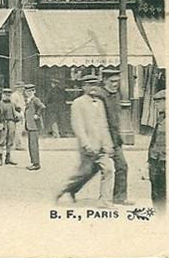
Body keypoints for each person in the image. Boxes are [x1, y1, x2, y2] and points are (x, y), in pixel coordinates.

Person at [57, 74, 115, 207]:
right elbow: (78, 126)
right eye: (89, 85)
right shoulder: (78, 103)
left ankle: (105, 201)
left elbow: (104, 125)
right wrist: (86, 144)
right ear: (83, 87)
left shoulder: (100, 103)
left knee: (108, 170)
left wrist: (108, 144)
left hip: (101, 145)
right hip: (88, 146)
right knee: (83, 173)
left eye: (96, 85)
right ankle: (62, 190)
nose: (93, 88)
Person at [97, 69, 131, 204]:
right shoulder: (100, 96)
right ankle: (103, 199)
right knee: (98, 171)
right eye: (112, 81)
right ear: (104, 81)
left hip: (115, 140)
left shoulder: (116, 95)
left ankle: (119, 198)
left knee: (122, 166)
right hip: (102, 139)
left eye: (117, 81)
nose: (115, 84)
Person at [147, 89, 165, 212]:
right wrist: (149, 160)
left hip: (165, 161)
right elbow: (154, 140)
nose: (156, 105)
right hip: (156, 160)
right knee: (156, 192)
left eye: (158, 102)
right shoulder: (160, 118)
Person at [0, 88, 19, 166]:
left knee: (10, 140)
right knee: (1, 140)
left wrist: (18, 115)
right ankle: (0, 158)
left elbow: (17, 111)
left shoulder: (12, 104)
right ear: (2, 95)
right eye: (5, 95)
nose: (7, 97)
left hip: (11, 122)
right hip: (3, 123)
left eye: (8, 95)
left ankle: (8, 157)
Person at [23, 83, 46, 171]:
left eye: (30, 91)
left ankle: (36, 164)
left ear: (34, 91)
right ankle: (33, 162)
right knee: (31, 145)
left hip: (34, 126)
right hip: (30, 126)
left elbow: (42, 107)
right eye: (27, 91)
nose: (28, 93)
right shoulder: (29, 100)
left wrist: (37, 115)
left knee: (33, 145)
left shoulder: (35, 99)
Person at [11, 82, 27, 151]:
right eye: (21, 87)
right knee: (18, 129)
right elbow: (13, 105)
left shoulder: (21, 95)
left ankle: (18, 144)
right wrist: (16, 113)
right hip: (18, 113)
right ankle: (18, 145)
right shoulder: (15, 95)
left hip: (22, 112)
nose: (22, 89)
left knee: (20, 129)